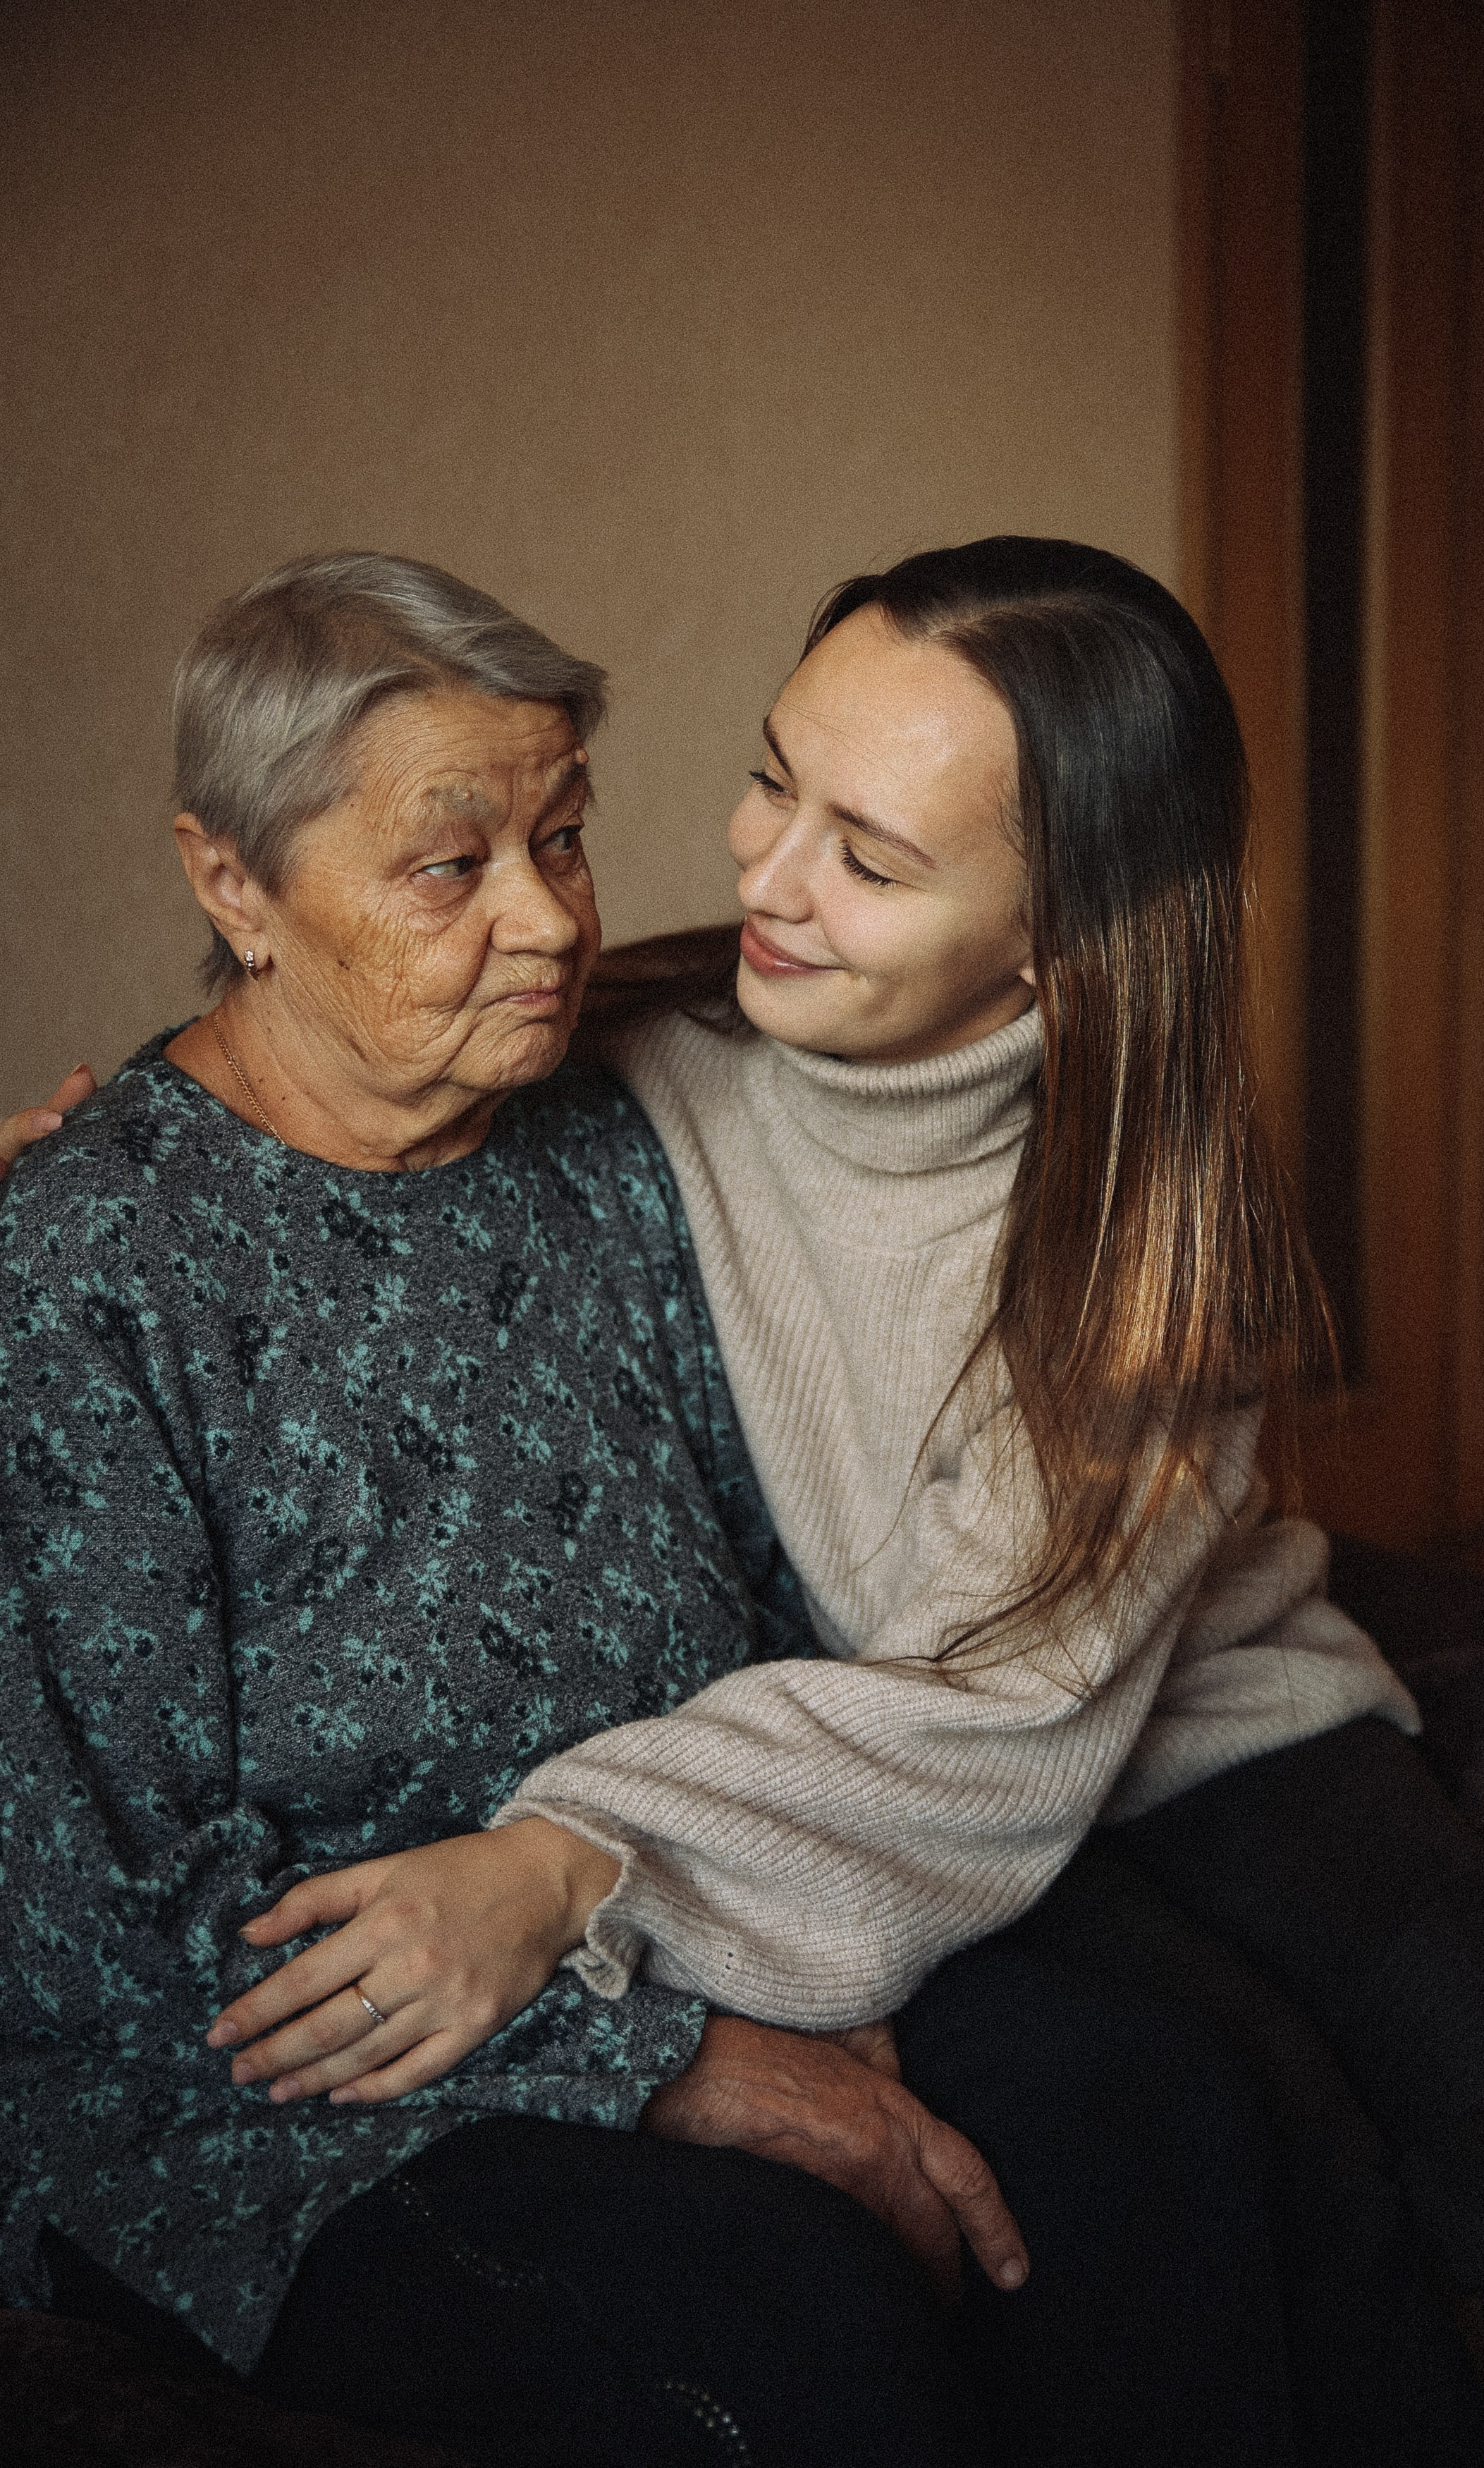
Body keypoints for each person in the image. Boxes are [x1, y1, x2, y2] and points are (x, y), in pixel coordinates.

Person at [0, 554, 1034, 2468]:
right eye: (449, 865)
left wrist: (769, 1933)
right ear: (233, 884)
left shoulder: (591, 1148)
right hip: (276, 2114)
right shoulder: (80, 1274)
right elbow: (113, 1945)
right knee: (804, 2343)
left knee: (1142, 2116)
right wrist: (678, 2064)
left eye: (565, 836)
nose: (554, 919)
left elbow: (767, 1589)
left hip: (659, 1910)